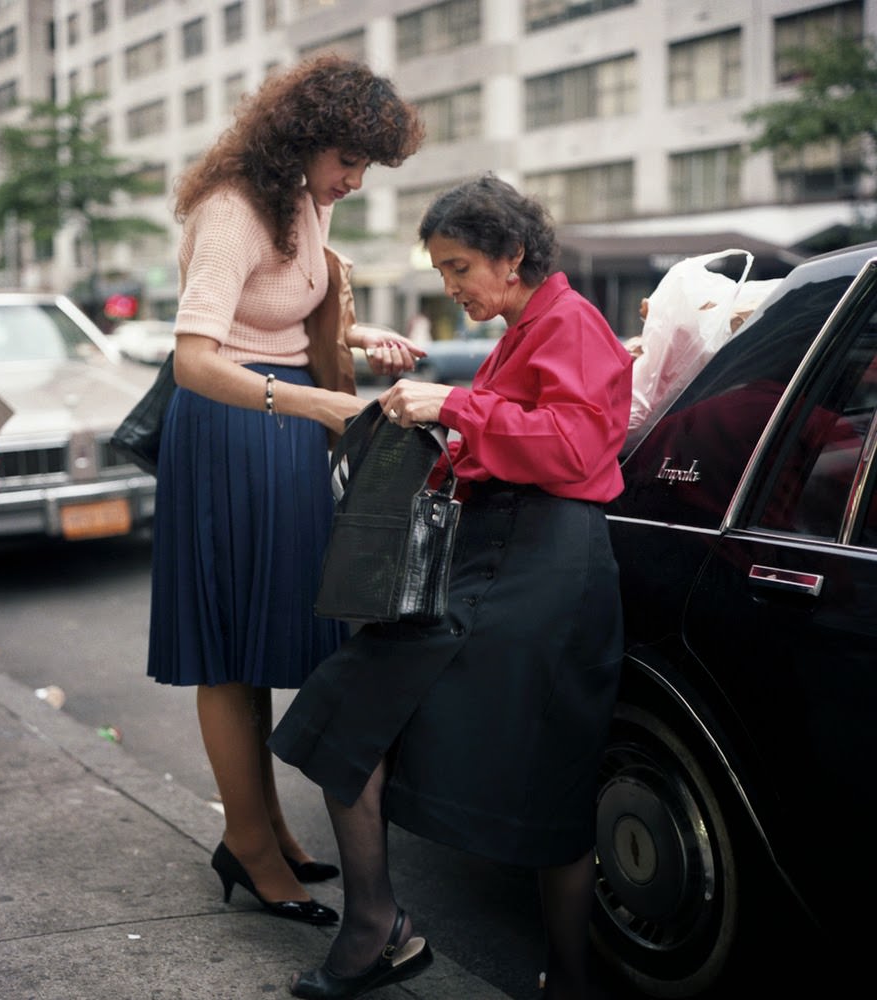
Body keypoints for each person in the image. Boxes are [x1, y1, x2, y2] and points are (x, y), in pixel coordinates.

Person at [270, 173, 633, 999]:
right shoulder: (524, 327)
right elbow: (519, 441)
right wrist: (444, 421)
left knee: (551, 781)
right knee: (350, 717)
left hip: (548, 569)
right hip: (495, 559)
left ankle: (565, 978)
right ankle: (377, 927)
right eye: (442, 271)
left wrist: (459, 406)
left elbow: (576, 452)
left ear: (513, 256)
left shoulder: (569, 322)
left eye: (460, 266)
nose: (452, 286)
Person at [146, 55, 424, 928]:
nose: (355, 178)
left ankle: (264, 826)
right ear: (304, 140)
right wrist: (307, 398)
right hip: (231, 430)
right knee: (233, 649)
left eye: (366, 165)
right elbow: (196, 360)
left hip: (285, 430)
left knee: (270, 637)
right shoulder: (232, 208)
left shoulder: (306, 199)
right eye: (348, 158)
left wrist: (355, 333)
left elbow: (284, 307)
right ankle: (251, 845)